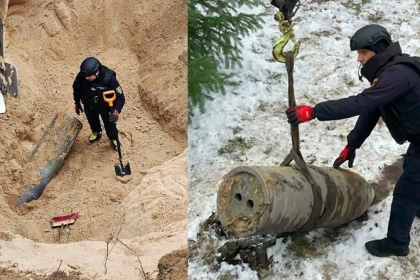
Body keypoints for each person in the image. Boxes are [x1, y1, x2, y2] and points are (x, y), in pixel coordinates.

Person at [285, 24, 420, 257]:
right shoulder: (390, 73)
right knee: (413, 170)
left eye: (363, 53)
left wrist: (314, 112)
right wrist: (352, 144)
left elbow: (360, 103)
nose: (359, 59)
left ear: (378, 50)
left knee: (407, 191)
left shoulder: (397, 75)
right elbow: (372, 109)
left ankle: (397, 243)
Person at [72, 57, 125, 150]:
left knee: (109, 124)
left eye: (89, 76)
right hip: (89, 105)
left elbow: (120, 97)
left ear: (96, 72)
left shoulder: (109, 79)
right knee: (92, 121)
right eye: (85, 76)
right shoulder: (82, 75)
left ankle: (113, 138)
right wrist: (77, 102)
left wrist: (116, 110)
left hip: (105, 107)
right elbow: (76, 88)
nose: (86, 78)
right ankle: (97, 132)